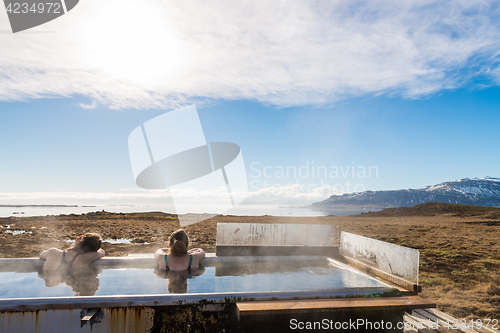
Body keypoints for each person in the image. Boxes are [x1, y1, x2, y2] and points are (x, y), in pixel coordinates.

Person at [39, 233, 105, 272]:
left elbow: (41, 255)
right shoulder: (84, 259)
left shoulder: (53, 253)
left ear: (77, 239)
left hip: (49, 284)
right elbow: (102, 252)